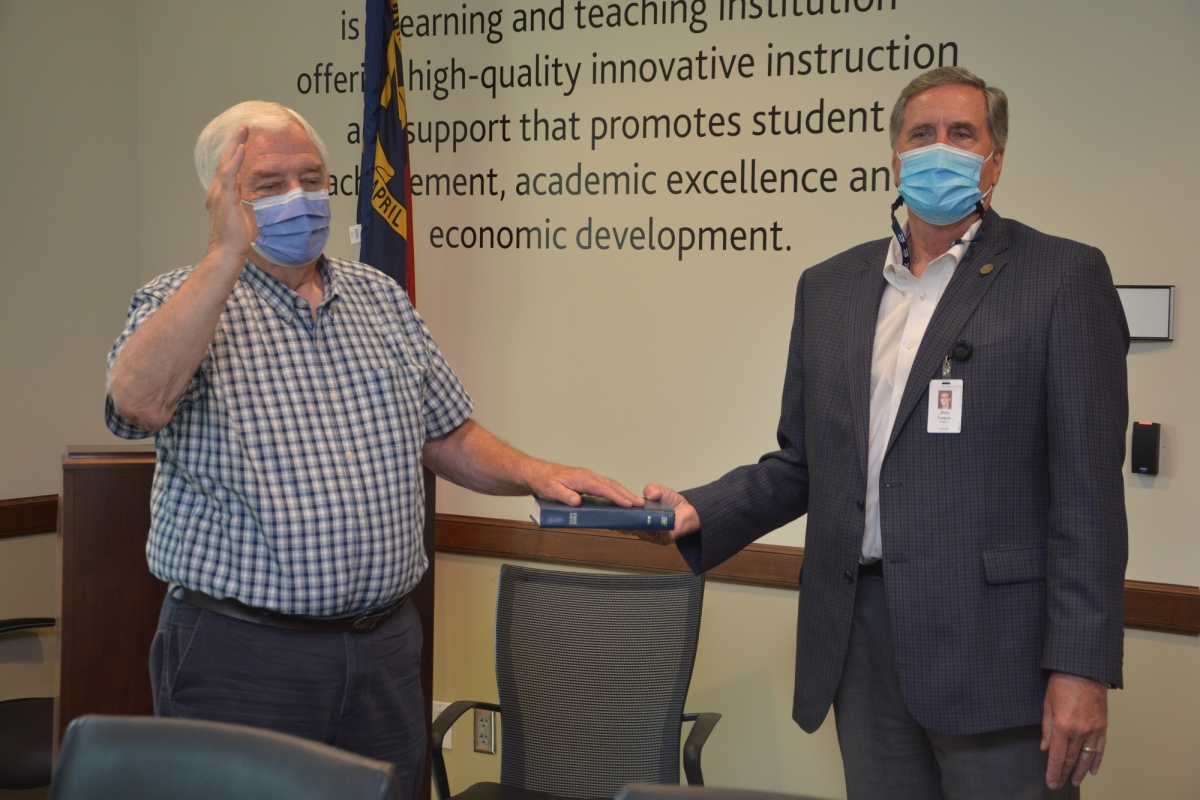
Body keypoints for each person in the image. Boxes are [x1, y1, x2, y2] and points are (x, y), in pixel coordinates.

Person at [105, 101, 641, 798]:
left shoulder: (379, 298)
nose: (299, 198)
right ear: (221, 198)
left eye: (312, 178)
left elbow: (446, 432)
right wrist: (223, 255)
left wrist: (537, 474)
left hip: (383, 648)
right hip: (242, 653)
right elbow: (139, 406)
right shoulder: (175, 301)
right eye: (269, 185)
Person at [642, 67, 1128, 800]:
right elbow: (803, 463)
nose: (939, 149)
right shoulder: (829, 288)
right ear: (896, 158)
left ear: (995, 162)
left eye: (962, 135)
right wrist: (697, 509)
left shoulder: (1062, 276)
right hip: (860, 638)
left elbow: (1089, 495)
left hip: (998, 651)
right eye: (921, 134)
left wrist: (1081, 667)